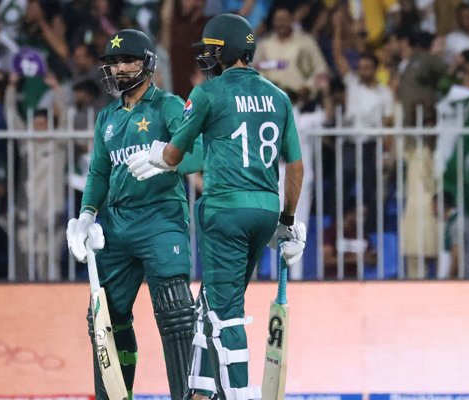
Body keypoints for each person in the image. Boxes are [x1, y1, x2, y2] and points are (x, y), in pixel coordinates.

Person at [127, 13, 306, 400]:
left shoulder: (208, 93)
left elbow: (176, 152)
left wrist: (160, 154)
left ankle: (239, 394)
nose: (204, 57)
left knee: (226, 314)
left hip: (226, 211)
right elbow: (295, 167)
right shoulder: (279, 97)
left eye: (209, 50)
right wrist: (288, 220)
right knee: (213, 300)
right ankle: (201, 390)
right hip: (265, 210)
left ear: (221, 52)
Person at [65, 29, 202, 399]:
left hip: (161, 220)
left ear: (148, 62)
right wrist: (87, 215)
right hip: (117, 222)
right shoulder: (107, 117)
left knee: (175, 313)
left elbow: (199, 153)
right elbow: (98, 172)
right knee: (104, 319)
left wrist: (166, 160)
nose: (121, 68)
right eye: (113, 62)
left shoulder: (169, 106)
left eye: (129, 60)